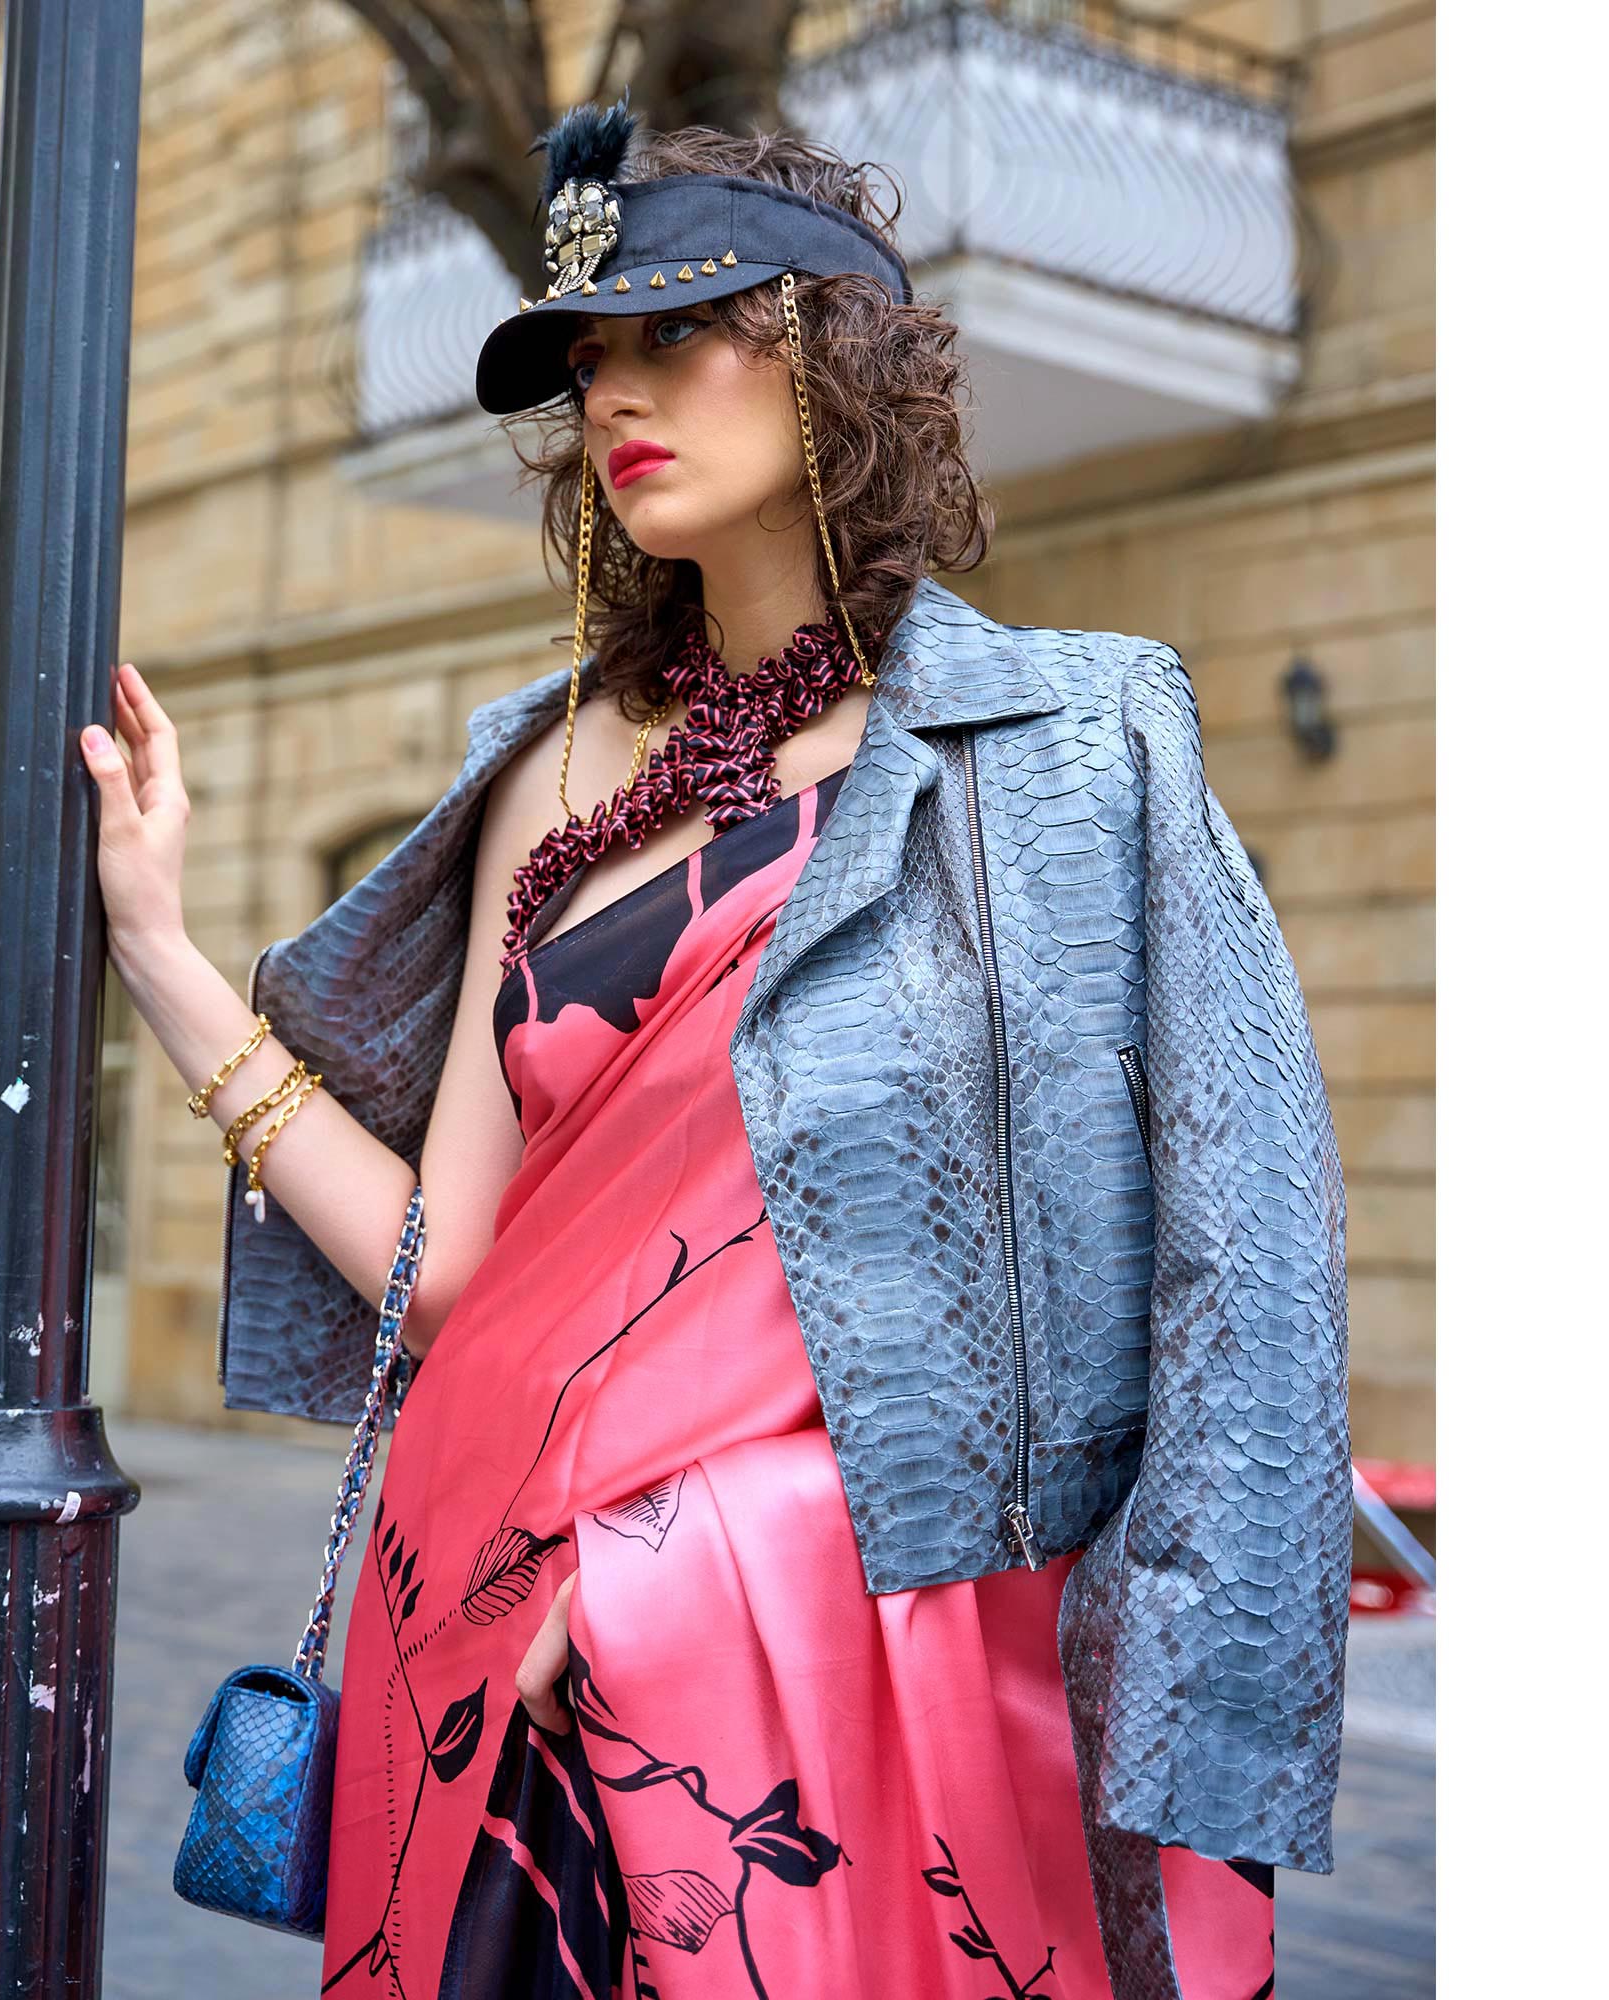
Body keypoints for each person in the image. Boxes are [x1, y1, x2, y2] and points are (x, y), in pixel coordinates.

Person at [83, 104, 1347, 2000]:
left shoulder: (1079, 755)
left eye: (681, 332)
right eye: (593, 355)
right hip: (486, 1610)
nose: (618, 391)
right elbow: (454, 1279)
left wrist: (699, 1554)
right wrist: (166, 958)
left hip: (824, 1652)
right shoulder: (554, 770)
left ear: (837, 355)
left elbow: (1246, 1278)